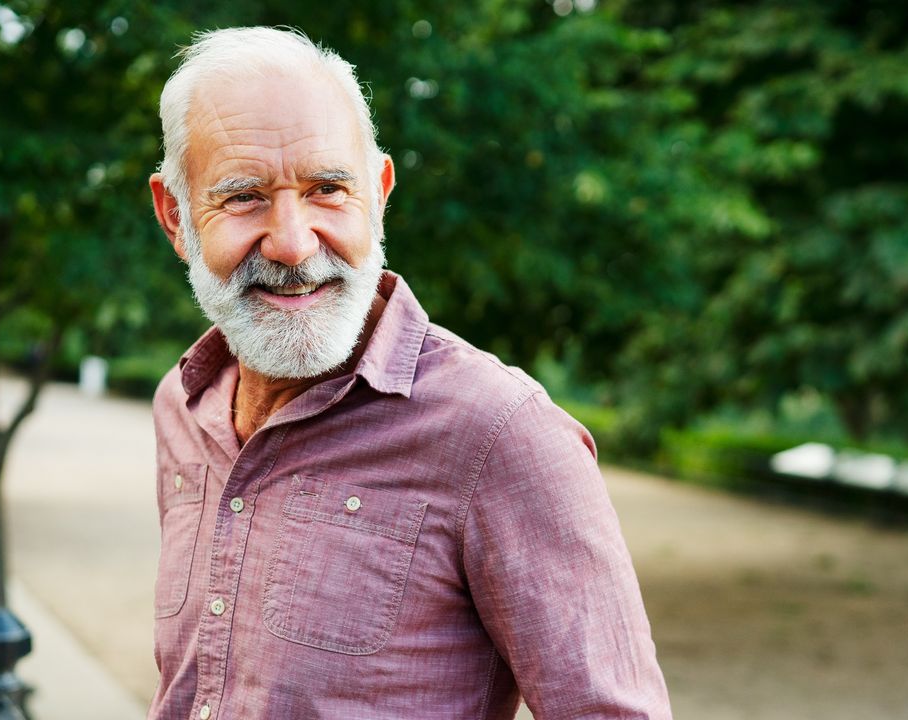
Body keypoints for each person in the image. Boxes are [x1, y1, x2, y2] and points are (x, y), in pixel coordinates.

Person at [147, 26, 671, 719]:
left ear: (380, 193)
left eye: (328, 188)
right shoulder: (185, 406)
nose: (294, 243)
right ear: (176, 218)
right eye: (243, 197)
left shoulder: (500, 433)